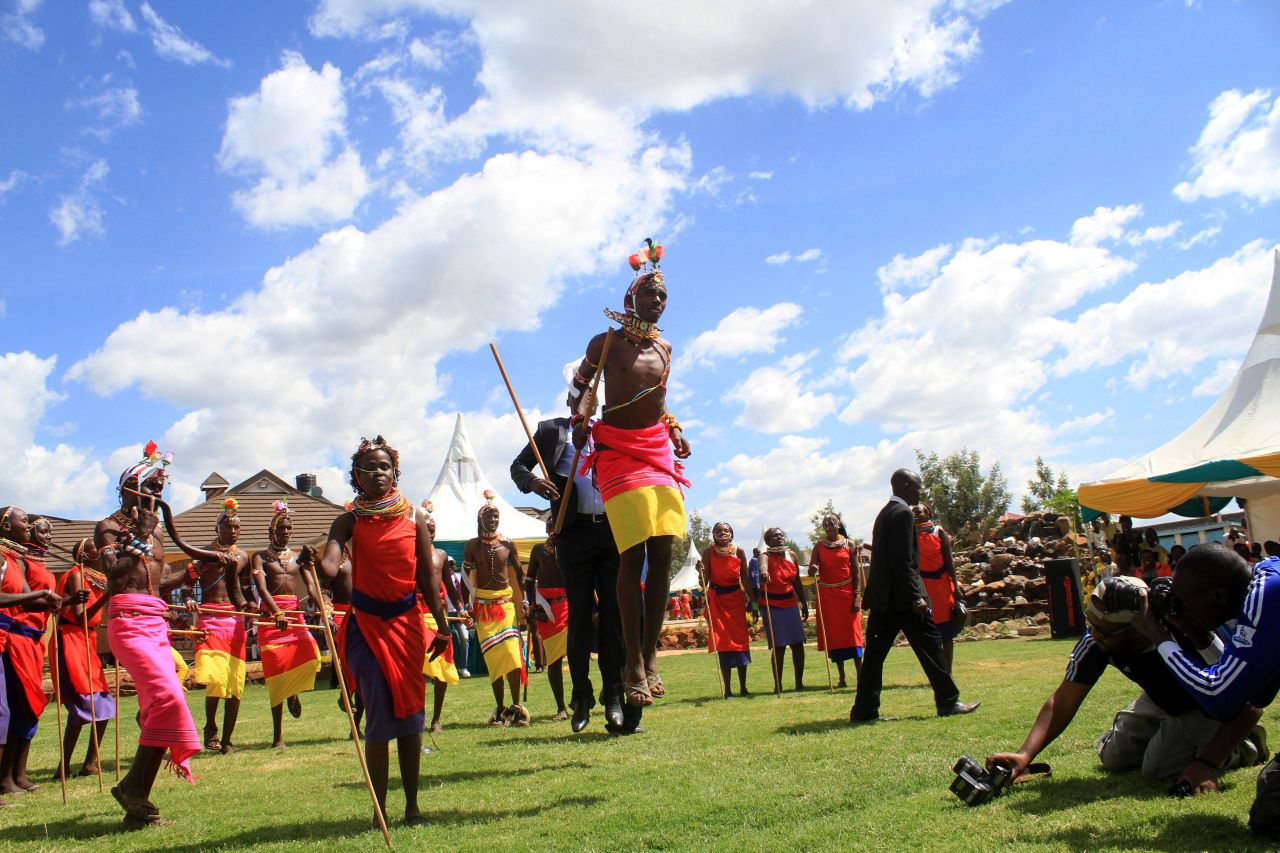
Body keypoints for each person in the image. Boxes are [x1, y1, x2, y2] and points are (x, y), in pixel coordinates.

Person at [986, 574, 1265, 786]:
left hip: (1203, 705)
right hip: (1159, 700)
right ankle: (1167, 733)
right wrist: (1024, 755)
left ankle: (1246, 746)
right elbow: (1063, 700)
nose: (1094, 636)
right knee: (1113, 758)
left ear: (1135, 629)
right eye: (1091, 627)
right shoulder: (1098, 640)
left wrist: (1207, 764)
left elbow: (1238, 687)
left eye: (1103, 631)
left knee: (1155, 770)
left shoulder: (1183, 624)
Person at [572, 239, 691, 709]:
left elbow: (657, 402)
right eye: (650, 295)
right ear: (631, 297)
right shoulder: (605, 342)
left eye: (663, 297)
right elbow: (582, 390)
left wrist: (675, 428)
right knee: (634, 550)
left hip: (657, 449)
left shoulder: (665, 348)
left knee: (664, 548)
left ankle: (649, 652)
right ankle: (632, 666)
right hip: (618, 450)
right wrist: (582, 417)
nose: (657, 303)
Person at [311, 435, 450, 826]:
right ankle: (380, 811)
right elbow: (332, 565)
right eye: (369, 467)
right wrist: (317, 561)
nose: (378, 472)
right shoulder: (349, 519)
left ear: (396, 472)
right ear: (357, 475)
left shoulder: (415, 519)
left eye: (384, 466)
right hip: (365, 628)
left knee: (409, 717)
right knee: (378, 712)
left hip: (406, 626)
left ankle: (411, 806)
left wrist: (442, 627)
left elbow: (426, 577)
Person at [96, 442, 232, 825]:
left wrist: (189, 573)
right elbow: (118, 577)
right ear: (127, 489)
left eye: (160, 490)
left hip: (155, 623)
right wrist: (140, 532)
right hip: (128, 625)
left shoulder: (157, 535)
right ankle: (132, 790)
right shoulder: (108, 527)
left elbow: (153, 583)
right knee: (169, 699)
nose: (156, 496)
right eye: (150, 488)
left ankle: (134, 795)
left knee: (163, 705)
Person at [510, 388, 630, 734]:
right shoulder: (551, 430)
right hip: (572, 533)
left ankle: (613, 696)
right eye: (581, 397)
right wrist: (534, 481)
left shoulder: (611, 430)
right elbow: (518, 466)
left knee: (612, 616)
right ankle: (581, 697)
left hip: (611, 531)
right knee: (578, 615)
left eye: (593, 398)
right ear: (569, 401)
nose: (587, 403)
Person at [1131, 544, 1280, 816]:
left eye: (1186, 601)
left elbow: (1218, 696)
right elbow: (1248, 694)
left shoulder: (1266, 596)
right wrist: (1189, 626)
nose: (1183, 608)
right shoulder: (1265, 579)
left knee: (1271, 809)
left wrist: (1159, 636)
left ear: (1219, 596)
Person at [852, 469, 979, 723]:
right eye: (917, 487)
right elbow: (903, 561)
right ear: (906, 486)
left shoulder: (885, 513)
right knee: (931, 645)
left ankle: (864, 711)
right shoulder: (901, 514)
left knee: (874, 657)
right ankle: (948, 702)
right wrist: (916, 595)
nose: (920, 492)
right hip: (904, 601)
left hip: (885, 600)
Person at [0, 510, 74, 795]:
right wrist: (36, 596)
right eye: (25, 522)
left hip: (23, 639)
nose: (29, 527)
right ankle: (4, 778)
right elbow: (19, 599)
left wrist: (60, 602)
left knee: (27, 706)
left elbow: (31, 603)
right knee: (5, 710)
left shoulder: (15, 560)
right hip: (10, 637)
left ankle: (14, 776)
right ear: (6, 526)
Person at [181, 497, 250, 754]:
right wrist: (188, 601)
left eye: (237, 527)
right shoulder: (203, 556)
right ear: (217, 528)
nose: (233, 531)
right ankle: (211, 728)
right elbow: (187, 589)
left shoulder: (243, 557)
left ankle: (228, 740)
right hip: (209, 620)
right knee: (217, 679)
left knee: (234, 682)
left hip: (234, 623)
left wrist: (252, 608)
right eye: (228, 526)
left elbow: (244, 591)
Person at [252, 500, 322, 749]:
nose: (286, 532)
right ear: (271, 531)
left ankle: (294, 692)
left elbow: (311, 586)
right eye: (281, 528)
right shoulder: (259, 558)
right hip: (272, 618)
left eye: (289, 528)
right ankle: (278, 736)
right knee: (277, 675)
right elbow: (261, 588)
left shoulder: (297, 558)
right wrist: (276, 611)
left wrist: (325, 608)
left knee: (313, 655)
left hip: (295, 616)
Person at [463, 501, 529, 726]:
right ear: (479, 519)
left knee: (512, 656)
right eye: (488, 516)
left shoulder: (508, 543)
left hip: (506, 607)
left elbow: (521, 575)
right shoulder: (472, 546)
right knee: (494, 660)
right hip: (484, 610)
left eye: (496, 516)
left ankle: (518, 708)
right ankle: (501, 708)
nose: (493, 520)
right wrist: (467, 603)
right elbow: (464, 573)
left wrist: (526, 599)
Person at [55, 538, 116, 780]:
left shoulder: (95, 578)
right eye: (96, 551)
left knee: (104, 703)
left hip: (87, 640)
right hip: (71, 638)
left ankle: (90, 762)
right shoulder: (76, 575)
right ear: (84, 556)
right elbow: (80, 616)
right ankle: (64, 766)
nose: (102, 554)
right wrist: (106, 596)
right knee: (83, 704)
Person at [421, 506, 467, 733]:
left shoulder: (440, 556)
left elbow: (451, 588)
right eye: (425, 529)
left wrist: (461, 609)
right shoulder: (407, 555)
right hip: (416, 616)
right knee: (420, 668)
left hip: (438, 618)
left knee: (441, 671)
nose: (428, 533)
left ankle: (436, 719)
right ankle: (418, 717)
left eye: (431, 530)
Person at [808, 514, 863, 688]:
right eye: (826, 525)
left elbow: (856, 572)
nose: (829, 527)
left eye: (832, 524)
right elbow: (811, 571)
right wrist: (813, 568)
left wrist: (857, 595)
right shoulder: (819, 546)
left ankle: (861, 675)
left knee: (853, 633)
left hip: (847, 593)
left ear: (838, 524)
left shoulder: (850, 544)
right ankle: (842, 677)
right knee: (835, 635)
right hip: (827, 595)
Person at [699, 522, 751, 698]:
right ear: (713, 535)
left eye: (726, 530)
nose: (723, 533)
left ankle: (743, 687)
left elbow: (744, 577)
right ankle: (728, 689)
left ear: (732, 534)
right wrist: (700, 573)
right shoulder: (708, 552)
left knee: (740, 642)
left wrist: (754, 602)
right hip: (717, 601)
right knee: (723, 643)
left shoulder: (740, 551)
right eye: (719, 531)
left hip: (735, 600)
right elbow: (704, 581)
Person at [526, 524, 570, 720]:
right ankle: (561, 707)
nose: (554, 526)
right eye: (550, 522)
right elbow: (529, 579)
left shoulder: (571, 545)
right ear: (545, 527)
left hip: (570, 605)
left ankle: (581, 700)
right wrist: (531, 604)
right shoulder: (538, 549)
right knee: (553, 660)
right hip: (546, 609)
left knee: (577, 656)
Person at [758, 527, 808, 694]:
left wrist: (804, 603)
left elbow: (797, 583)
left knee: (797, 644)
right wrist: (764, 573)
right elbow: (762, 567)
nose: (779, 537)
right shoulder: (764, 556)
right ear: (768, 541)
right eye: (774, 536)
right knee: (779, 646)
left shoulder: (791, 555)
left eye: (781, 535)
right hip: (772, 604)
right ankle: (778, 685)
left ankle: (799, 683)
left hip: (790, 603)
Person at [914, 503, 961, 672]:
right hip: (923, 587)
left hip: (941, 586)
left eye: (919, 512)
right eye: (913, 512)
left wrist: (956, 587)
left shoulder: (938, 531)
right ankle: (937, 671)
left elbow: (950, 562)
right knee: (929, 633)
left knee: (946, 633)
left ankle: (947, 670)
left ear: (928, 514)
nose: (916, 514)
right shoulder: (909, 535)